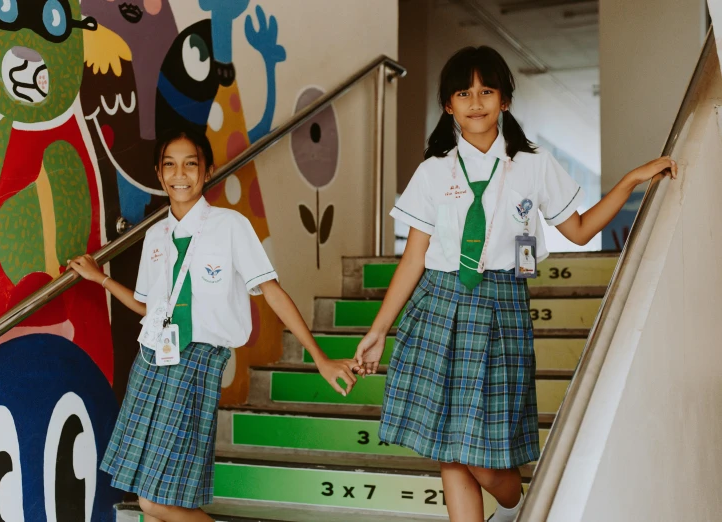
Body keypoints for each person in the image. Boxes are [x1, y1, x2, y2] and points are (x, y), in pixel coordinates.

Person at [354, 46, 677, 522]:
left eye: (487, 91)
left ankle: (518, 503)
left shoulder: (532, 163)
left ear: (504, 99)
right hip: (438, 306)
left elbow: (581, 229)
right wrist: (380, 329)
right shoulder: (433, 170)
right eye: (464, 93)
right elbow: (414, 258)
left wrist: (629, 180)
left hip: (500, 306)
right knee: (450, 449)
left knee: (484, 461)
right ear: (448, 105)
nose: (476, 101)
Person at [70, 128, 359, 522]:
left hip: (198, 361)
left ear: (207, 172)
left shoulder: (230, 226)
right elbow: (149, 307)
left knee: (158, 501)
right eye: (170, 164)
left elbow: (271, 292)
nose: (180, 173)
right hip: (153, 360)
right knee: (153, 497)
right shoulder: (156, 235)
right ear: (158, 173)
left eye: (191, 164)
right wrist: (101, 279)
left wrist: (320, 358)